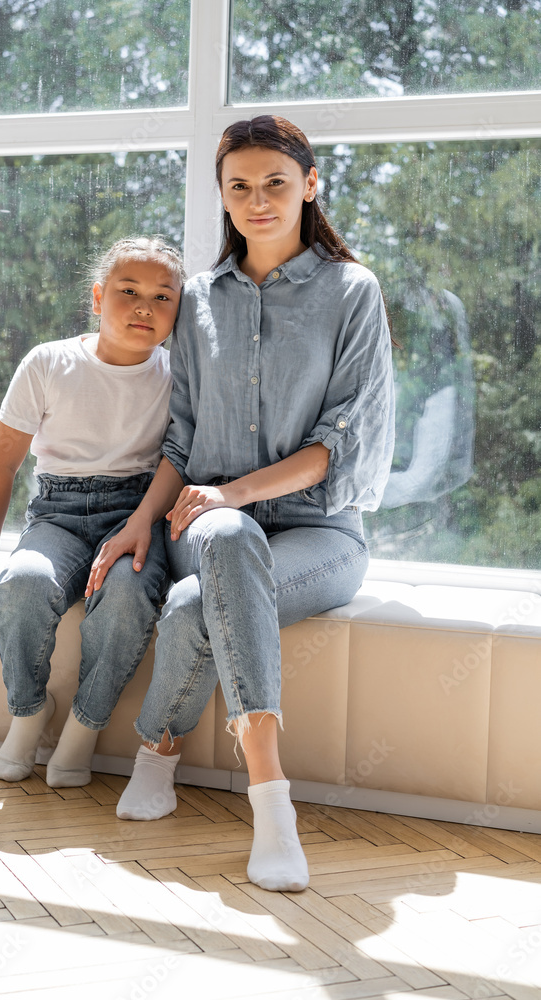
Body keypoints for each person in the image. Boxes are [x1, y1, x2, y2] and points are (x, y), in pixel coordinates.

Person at [87, 115, 395, 892]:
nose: (257, 201)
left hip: (320, 532)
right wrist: (136, 523)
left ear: (309, 185)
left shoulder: (352, 292)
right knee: (222, 538)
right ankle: (272, 799)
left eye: (275, 183)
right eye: (239, 187)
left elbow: (338, 442)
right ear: (221, 196)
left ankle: (159, 751)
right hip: (211, 525)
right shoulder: (196, 300)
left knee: (195, 606)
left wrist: (235, 490)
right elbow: (182, 438)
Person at [0, 235, 185, 788]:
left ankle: (83, 730)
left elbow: (181, 461)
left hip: (137, 512)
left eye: (164, 297)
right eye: (128, 291)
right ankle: (27, 713)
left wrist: (141, 522)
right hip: (57, 513)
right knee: (24, 585)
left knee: (128, 598)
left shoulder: (179, 377)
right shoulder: (48, 362)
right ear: (96, 296)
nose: (145, 306)